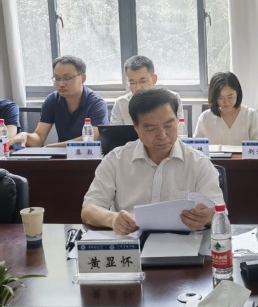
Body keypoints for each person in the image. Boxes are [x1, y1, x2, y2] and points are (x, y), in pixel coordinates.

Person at [82, 88, 224, 235]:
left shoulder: (199, 162)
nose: (162, 135)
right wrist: (113, 219)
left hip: (185, 244)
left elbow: (219, 211)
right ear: (135, 126)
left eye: (168, 125)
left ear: (178, 120)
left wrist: (207, 217)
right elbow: (89, 209)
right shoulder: (115, 160)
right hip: (132, 243)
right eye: (151, 128)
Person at [10, 55, 107, 148]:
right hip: (62, 155)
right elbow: (39, 137)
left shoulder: (96, 103)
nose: (61, 84)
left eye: (67, 78)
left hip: (91, 155)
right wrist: (26, 136)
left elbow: (93, 138)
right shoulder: (52, 100)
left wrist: (51, 147)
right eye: (57, 78)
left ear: (82, 78)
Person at [193, 72, 258, 144]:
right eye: (220, 97)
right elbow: (196, 146)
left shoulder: (251, 115)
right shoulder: (205, 118)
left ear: (237, 93)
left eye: (230, 97)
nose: (226, 102)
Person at [111, 55, 184, 125]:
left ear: (154, 79)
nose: (138, 88)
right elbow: (114, 132)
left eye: (143, 81)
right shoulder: (121, 103)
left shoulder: (173, 99)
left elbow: (180, 129)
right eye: (132, 83)